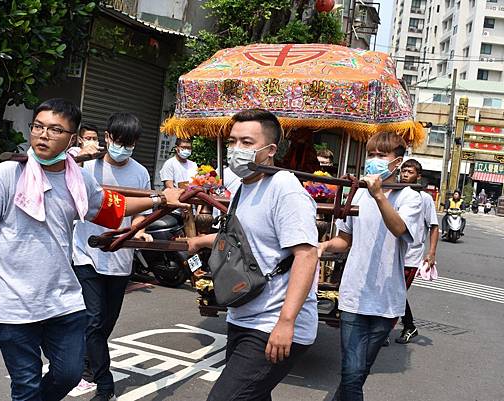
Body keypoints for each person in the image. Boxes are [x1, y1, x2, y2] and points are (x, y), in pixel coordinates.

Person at [0, 98, 185, 401]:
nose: (43, 135)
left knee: (70, 373)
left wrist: (160, 200)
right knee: (26, 384)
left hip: (62, 300)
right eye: (38, 127)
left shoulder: (79, 179)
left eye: (55, 130)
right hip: (14, 303)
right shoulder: (8, 174)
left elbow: (113, 210)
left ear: (72, 139)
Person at [188, 109, 319, 401]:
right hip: (243, 314)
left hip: (274, 322)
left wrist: (286, 322)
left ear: (270, 150)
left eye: (247, 143)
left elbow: (307, 255)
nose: (237, 150)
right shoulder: (243, 188)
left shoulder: (284, 188)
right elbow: (238, 240)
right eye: (233, 141)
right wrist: (200, 241)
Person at [318, 132, 422, 401]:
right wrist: (323, 247)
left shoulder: (410, 198)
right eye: (371, 154)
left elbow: (399, 229)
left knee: (358, 372)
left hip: (387, 300)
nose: (373, 160)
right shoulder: (358, 195)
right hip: (354, 294)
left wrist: (379, 196)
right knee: (351, 373)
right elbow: (344, 240)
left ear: (397, 162)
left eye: (381, 155)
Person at [72, 112, 152, 401]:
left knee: (105, 323)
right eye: (118, 141)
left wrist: (139, 230)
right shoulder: (85, 165)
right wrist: (81, 154)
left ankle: (85, 364)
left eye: (129, 143)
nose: (123, 148)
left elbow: (141, 209)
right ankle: (104, 384)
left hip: (120, 258)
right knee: (93, 320)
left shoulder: (140, 172)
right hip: (87, 253)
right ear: (107, 138)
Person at [395, 159, 439, 344]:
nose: (405, 174)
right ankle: (402, 326)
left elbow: (434, 226)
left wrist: (431, 253)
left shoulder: (425, 198)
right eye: (403, 170)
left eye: (410, 172)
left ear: (418, 176)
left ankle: (408, 326)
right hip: (391, 253)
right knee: (392, 292)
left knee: (398, 292)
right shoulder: (394, 192)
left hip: (411, 255)